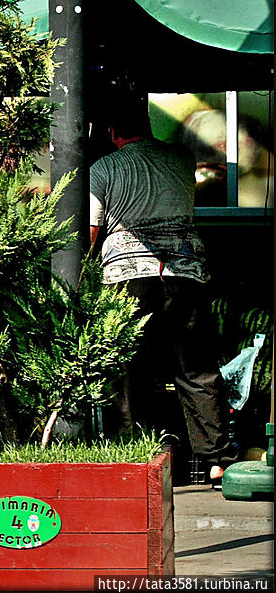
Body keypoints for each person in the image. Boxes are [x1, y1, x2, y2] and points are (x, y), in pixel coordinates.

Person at [89, 97, 237, 486]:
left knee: (128, 369)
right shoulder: (181, 159)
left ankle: (134, 456)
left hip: (127, 278)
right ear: (148, 125)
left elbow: (90, 231)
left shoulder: (103, 168)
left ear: (111, 132)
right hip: (186, 274)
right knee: (196, 368)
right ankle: (216, 461)